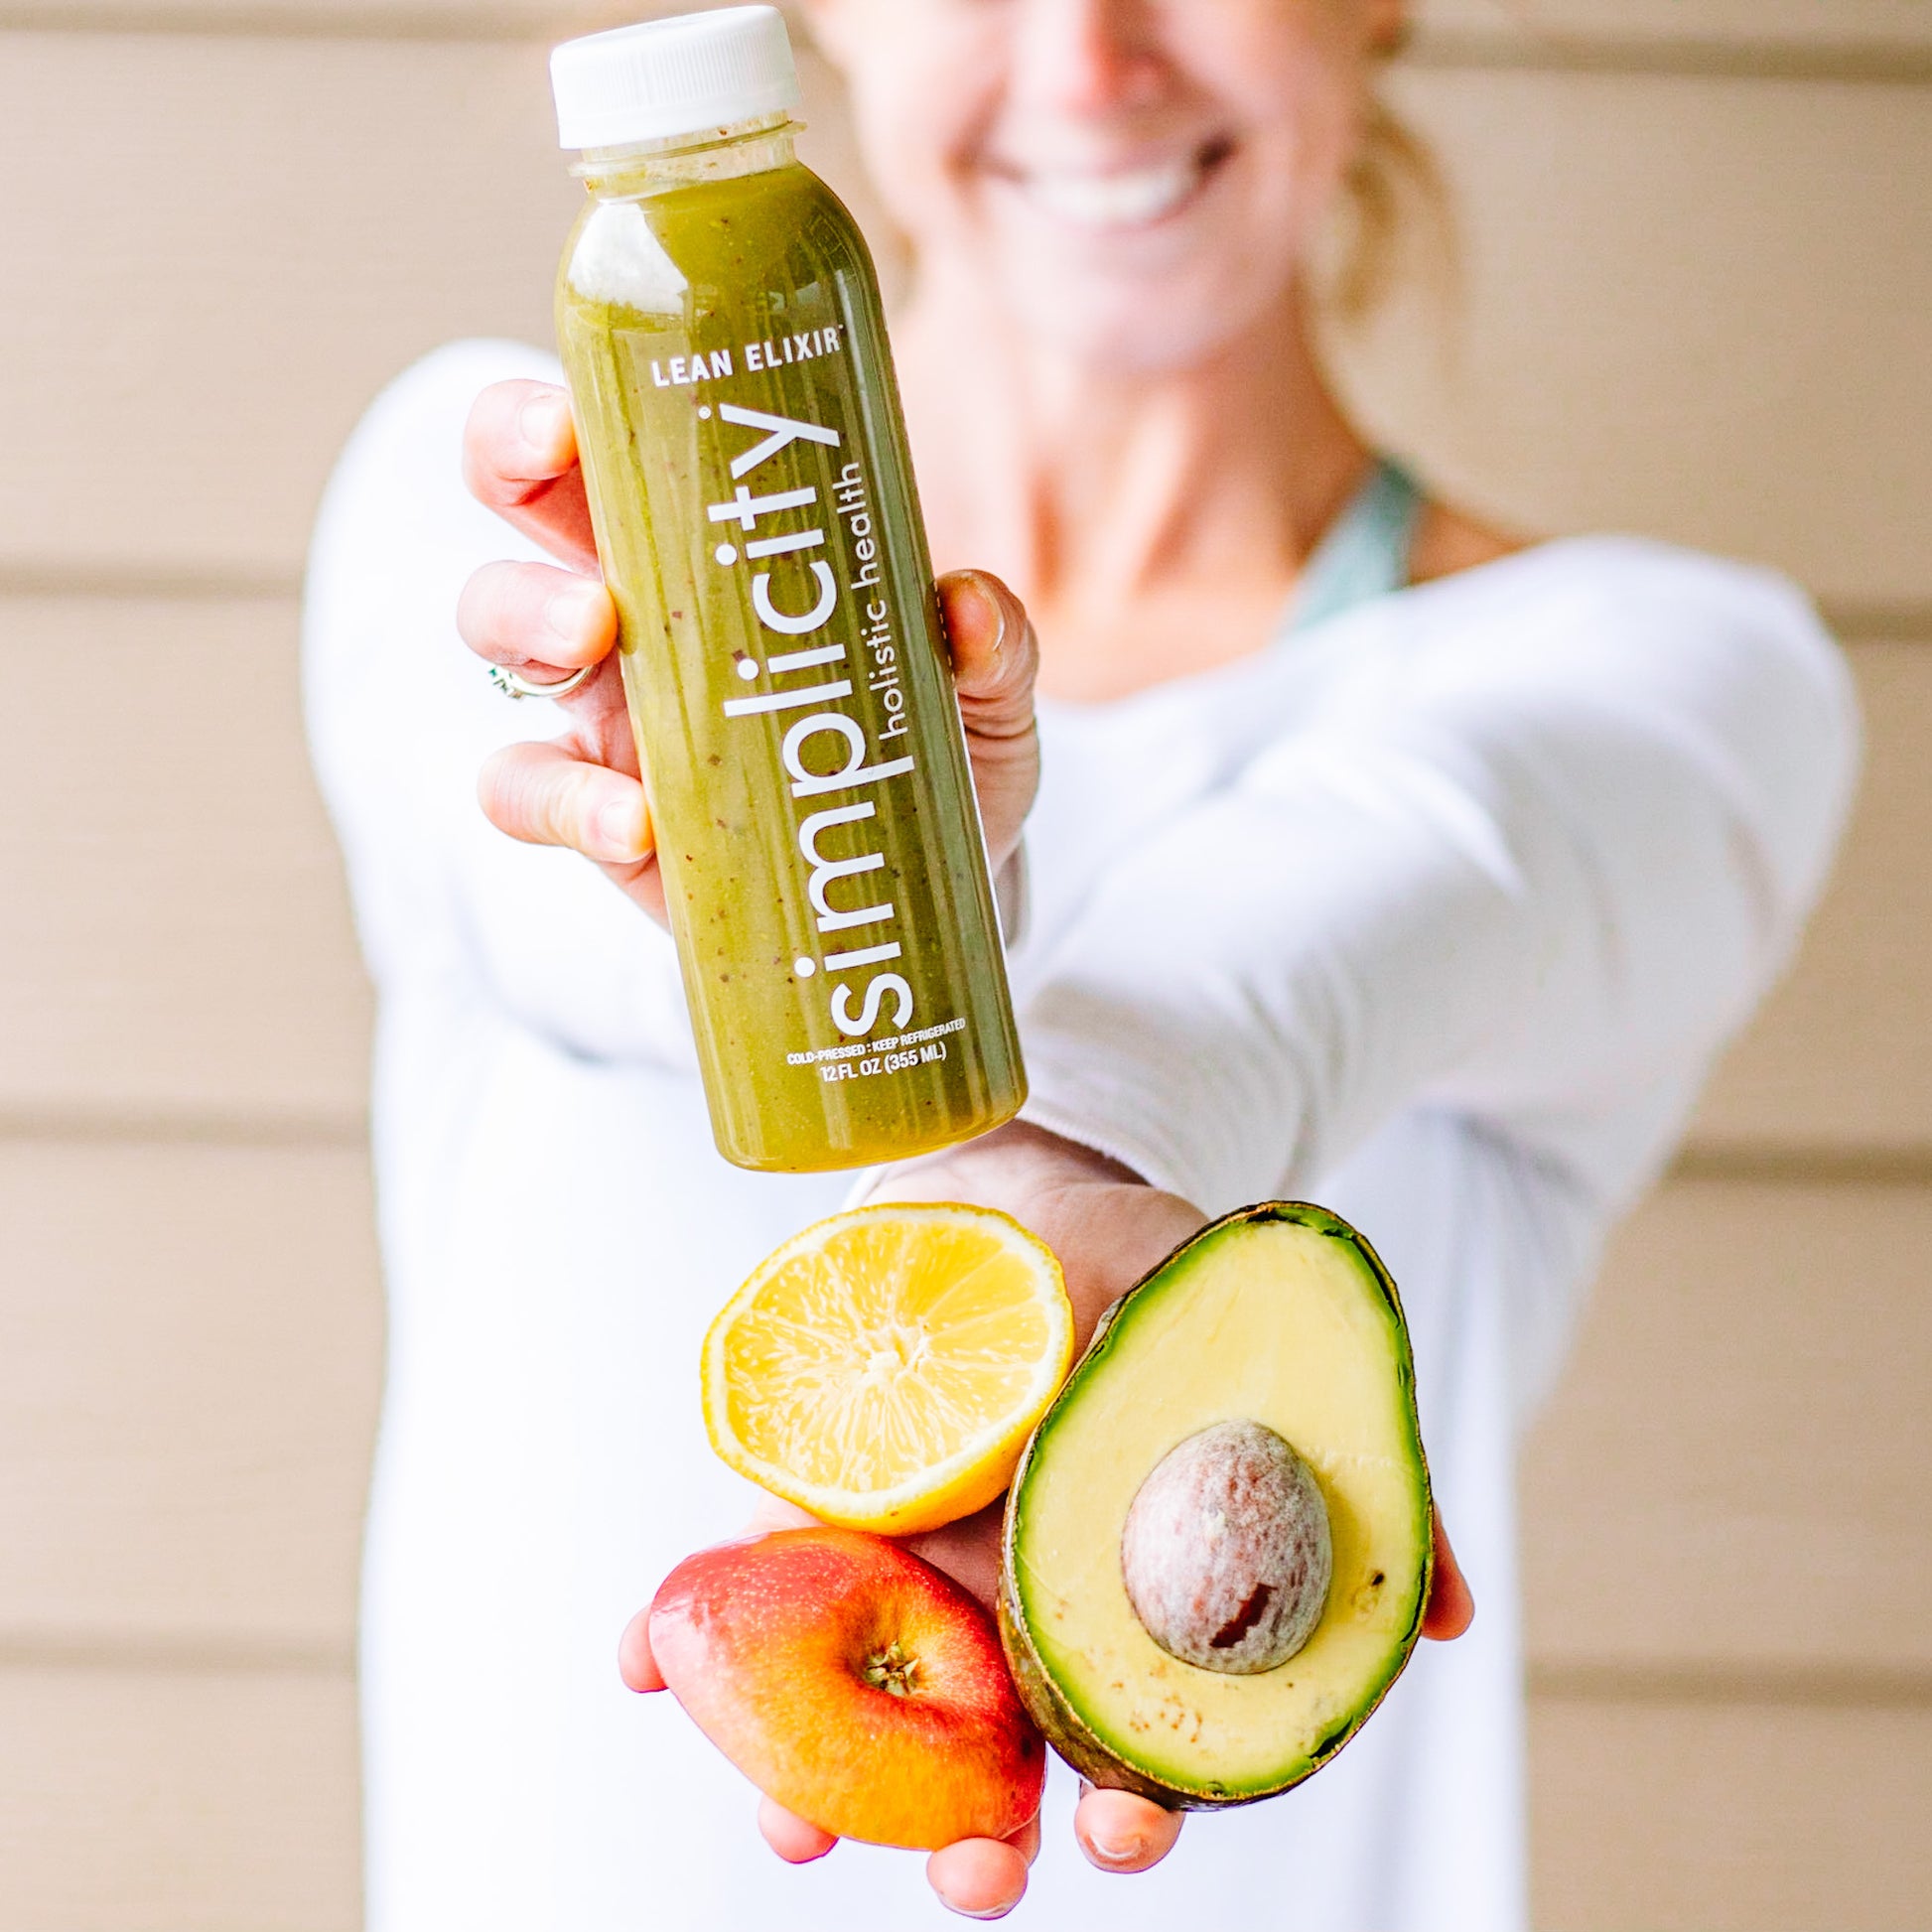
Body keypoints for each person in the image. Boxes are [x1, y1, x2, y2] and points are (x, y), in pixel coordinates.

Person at [303, 0, 1857, 1925]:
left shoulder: (1662, 687)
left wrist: (1070, 1151)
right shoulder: (494, 529)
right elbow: (560, 934)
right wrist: (749, 863)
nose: (1088, 56)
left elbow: (1382, 888)